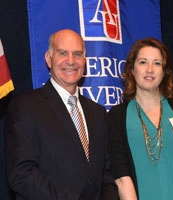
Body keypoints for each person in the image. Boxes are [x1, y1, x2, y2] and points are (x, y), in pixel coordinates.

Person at [4, 29, 118, 200]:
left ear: (84, 61)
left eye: (77, 54)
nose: (71, 61)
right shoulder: (26, 106)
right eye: (62, 53)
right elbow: (21, 174)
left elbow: (106, 173)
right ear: (49, 59)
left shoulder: (98, 113)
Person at [107, 37, 173, 199]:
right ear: (132, 69)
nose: (150, 69)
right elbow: (122, 178)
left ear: (164, 72)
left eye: (157, 63)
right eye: (143, 62)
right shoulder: (117, 117)